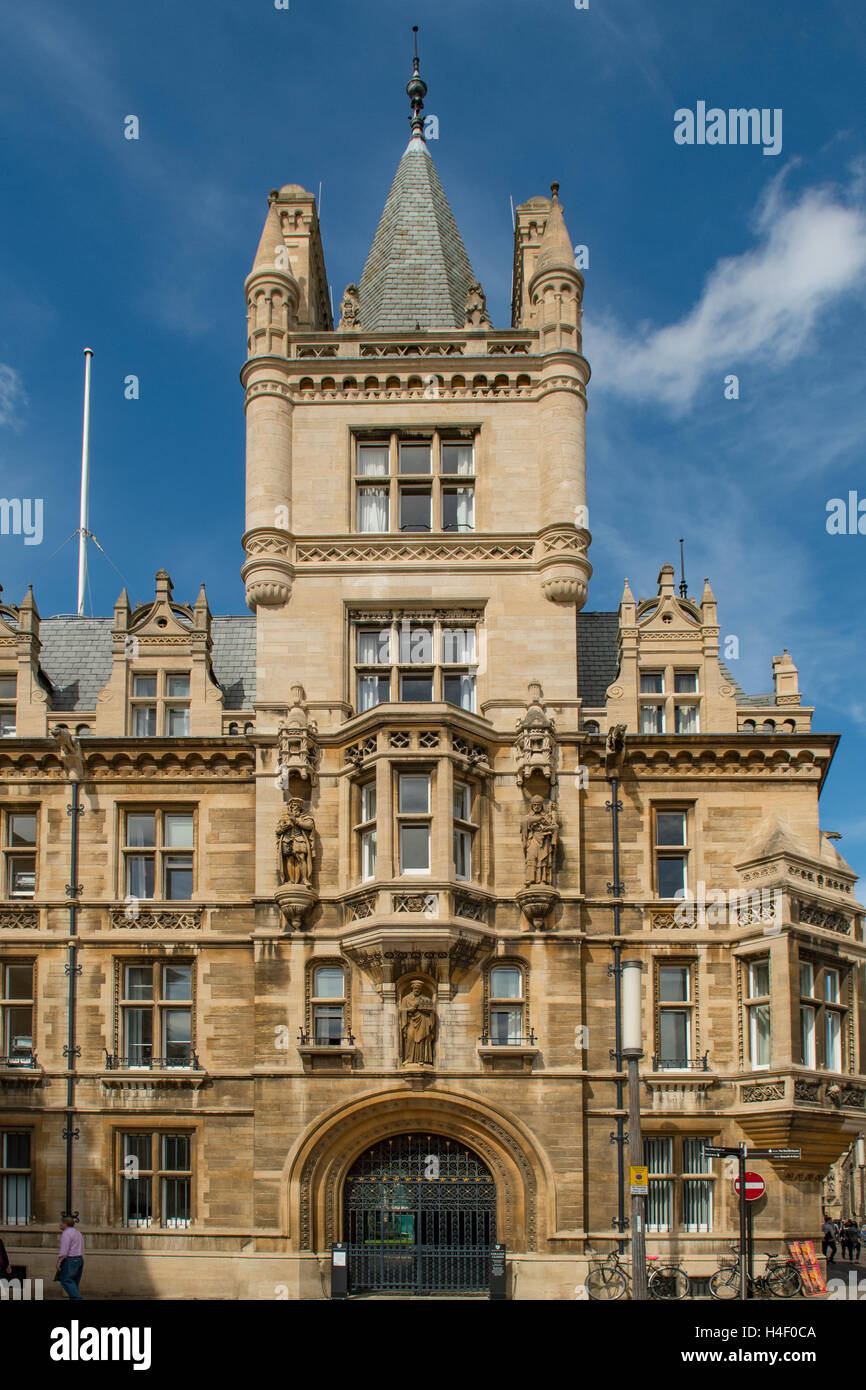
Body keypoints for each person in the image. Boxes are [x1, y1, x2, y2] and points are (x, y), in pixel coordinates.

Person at [56, 1215, 84, 1300]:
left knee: (66, 1280)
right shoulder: (78, 1232)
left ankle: (77, 1298)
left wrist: (59, 1261)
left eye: (61, 1223)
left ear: (65, 1224)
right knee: (74, 1283)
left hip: (70, 1259)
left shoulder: (66, 1233)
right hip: (79, 1259)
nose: (59, 1225)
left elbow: (64, 1249)